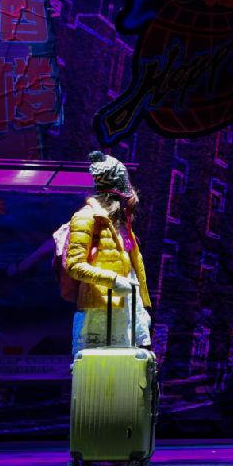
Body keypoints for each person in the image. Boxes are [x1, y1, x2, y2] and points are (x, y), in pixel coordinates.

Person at [66, 151, 152, 357]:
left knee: (128, 365)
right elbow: (74, 265)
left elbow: (132, 268)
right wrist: (113, 280)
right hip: (100, 308)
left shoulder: (122, 224)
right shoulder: (86, 217)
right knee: (98, 366)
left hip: (127, 307)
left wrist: (142, 305)